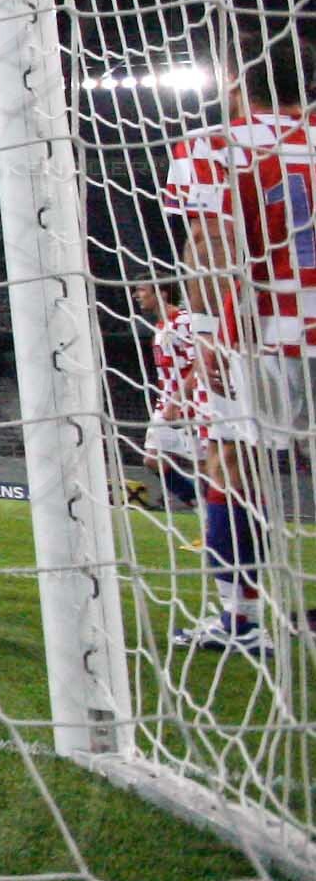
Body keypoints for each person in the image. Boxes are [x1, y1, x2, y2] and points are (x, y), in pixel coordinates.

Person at [160, 33, 312, 654]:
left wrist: (209, 337)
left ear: (231, 80)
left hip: (267, 333)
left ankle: (240, 621)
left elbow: (215, 249)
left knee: (230, 464)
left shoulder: (216, 145)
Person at [133, 281, 207, 511]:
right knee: (152, 459)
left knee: (205, 465)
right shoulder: (161, 326)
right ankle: (198, 504)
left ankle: (213, 518)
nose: (137, 295)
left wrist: (178, 398)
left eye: (142, 290)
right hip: (165, 403)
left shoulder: (183, 321)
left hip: (190, 403)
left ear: (162, 292)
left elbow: (200, 362)